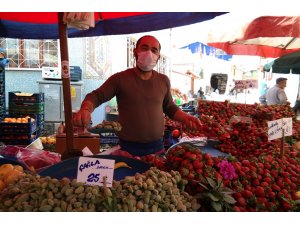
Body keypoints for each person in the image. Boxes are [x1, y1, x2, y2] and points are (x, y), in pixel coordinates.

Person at [73, 35, 202, 156]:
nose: (149, 53)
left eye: (154, 50)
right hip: (128, 149)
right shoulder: (119, 79)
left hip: (157, 148)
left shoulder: (163, 80)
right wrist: (85, 109)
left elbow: (169, 107)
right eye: (144, 48)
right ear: (135, 52)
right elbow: (96, 96)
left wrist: (186, 118)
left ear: (158, 56)